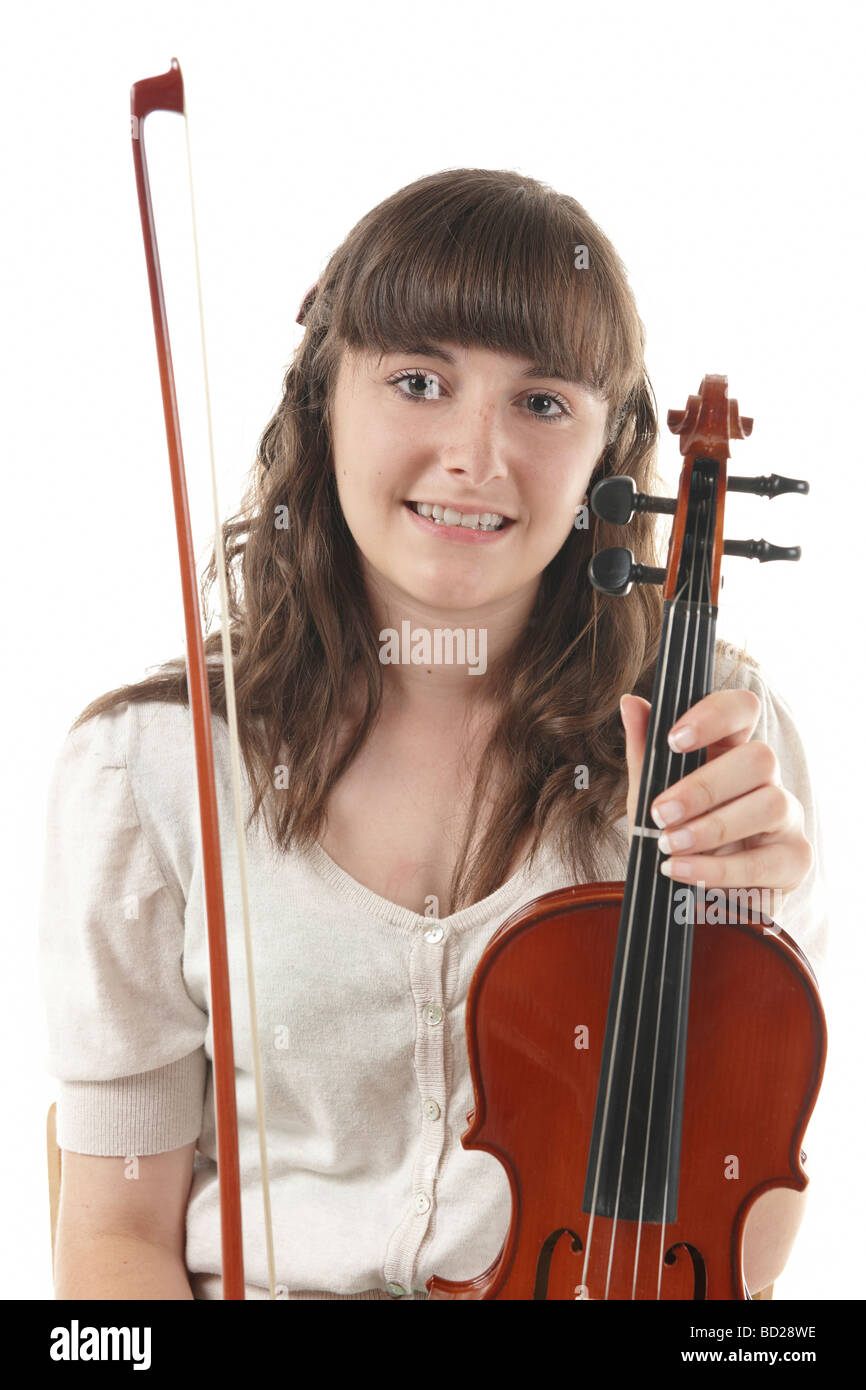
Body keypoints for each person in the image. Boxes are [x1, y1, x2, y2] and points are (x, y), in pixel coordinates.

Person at [39, 168, 827, 1300]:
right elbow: (112, 1235)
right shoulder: (145, 771)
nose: (477, 457)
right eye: (418, 381)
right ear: (323, 401)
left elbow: (724, 1250)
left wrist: (746, 924)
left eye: (542, 402)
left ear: (607, 461)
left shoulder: (709, 750)